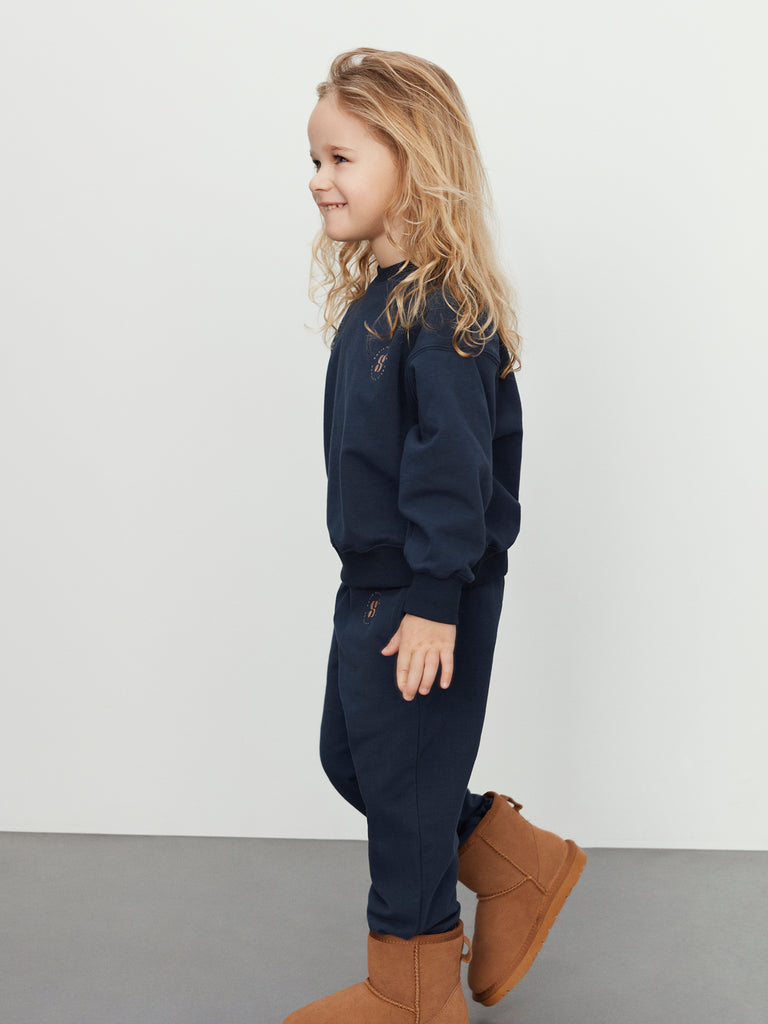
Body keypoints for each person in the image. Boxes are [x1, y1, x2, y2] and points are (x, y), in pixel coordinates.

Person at [284, 47, 586, 1024]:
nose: (319, 179)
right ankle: (515, 861)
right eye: (316, 159)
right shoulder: (377, 301)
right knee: (359, 763)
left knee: (406, 788)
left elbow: (456, 473)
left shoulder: (445, 311)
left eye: (341, 158)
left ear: (413, 162)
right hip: (371, 586)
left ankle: (413, 989)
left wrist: (434, 602)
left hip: (422, 592)